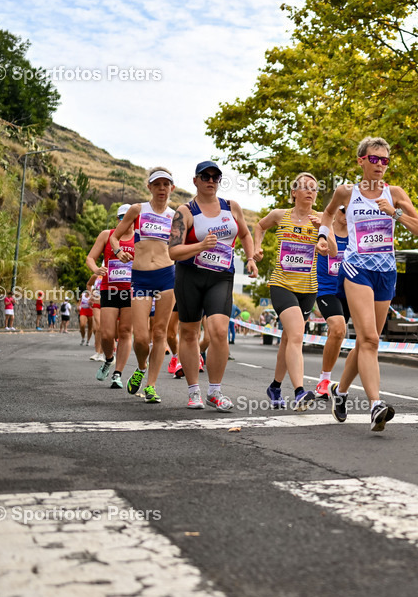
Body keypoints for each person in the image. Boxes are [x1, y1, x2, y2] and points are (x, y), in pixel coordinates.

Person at [316, 136, 418, 432]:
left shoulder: (395, 193)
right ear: (361, 161)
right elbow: (327, 214)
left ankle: (339, 393)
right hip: (356, 269)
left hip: (386, 272)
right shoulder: (346, 192)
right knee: (370, 341)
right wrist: (323, 236)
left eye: (385, 160)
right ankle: (376, 404)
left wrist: (396, 214)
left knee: (368, 342)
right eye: (374, 159)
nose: (380, 165)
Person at [169, 160, 257, 411]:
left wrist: (250, 258)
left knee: (218, 331)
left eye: (215, 177)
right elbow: (173, 252)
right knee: (188, 333)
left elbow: (245, 234)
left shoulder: (232, 208)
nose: (210, 180)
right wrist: (199, 246)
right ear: (195, 180)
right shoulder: (185, 212)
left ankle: (215, 391)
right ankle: (193, 390)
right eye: (204, 176)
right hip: (190, 275)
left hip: (221, 276)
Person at [253, 171, 322, 410]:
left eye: (314, 188)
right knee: (296, 336)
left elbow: (330, 250)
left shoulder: (322, 219)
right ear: (294, 192)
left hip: (308, 288)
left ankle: (274, 386)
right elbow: (259, 226)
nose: (310, 191)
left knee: (287, 339)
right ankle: (300, 392)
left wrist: (324, 231)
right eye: (305, 187)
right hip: (282, 284)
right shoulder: (280, 215)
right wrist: (257, 248)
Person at [111, 167, 178, 404]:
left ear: (172, 188)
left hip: (167, 276)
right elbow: (114, 237)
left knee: (159, 332)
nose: (161, 189)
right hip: (140, 278)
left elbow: (182, 247)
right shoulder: (138, 210)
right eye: (157, 184)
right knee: (140, 337)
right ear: (149, 187)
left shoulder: (176, 216)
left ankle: (151, 385)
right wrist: (118, 251)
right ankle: (141, 367)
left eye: (165, 184)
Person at [86, 204, 136, 388]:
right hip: (109, 289)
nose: (126, 221)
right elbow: (90, 258)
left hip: (131, 291)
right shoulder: (107, 235)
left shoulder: (139, 238)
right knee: (106, 334)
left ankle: (118, 374)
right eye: (122, 217)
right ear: (118, 219)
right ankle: (109, 358)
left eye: (129, 218)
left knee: (125, 332)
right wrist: (96, 269)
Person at [311, 204, 350, 399]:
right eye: (342, 210)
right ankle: (324, 380)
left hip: (351, 291)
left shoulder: (356, 235)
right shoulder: (323, 229)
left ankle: (343, 386)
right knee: (337, 328)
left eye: (350, 209)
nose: (346, 214)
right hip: (327, 290)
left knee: (352, 336)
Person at [85, 276, 103, 361]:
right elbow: (88, 284)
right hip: (97, 304)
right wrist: (91, 294)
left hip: (109, 304)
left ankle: (102, 353)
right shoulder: (97, 275)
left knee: (103, 328)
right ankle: (98, 352)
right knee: (99, 326)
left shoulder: (113, 273)